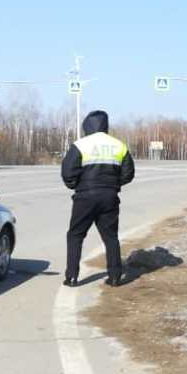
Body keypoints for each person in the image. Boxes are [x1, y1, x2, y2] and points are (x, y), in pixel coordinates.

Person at [61, 110, 135, 286]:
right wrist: (114, 185)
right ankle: (115, 276)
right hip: (109, 197)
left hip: (85, 197)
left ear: (87, 125)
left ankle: (71, 276)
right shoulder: (119, 145)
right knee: (110, 237)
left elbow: (67, 171)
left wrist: (75, 185)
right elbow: (129, 173)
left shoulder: (81, 145)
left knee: (75, 235)